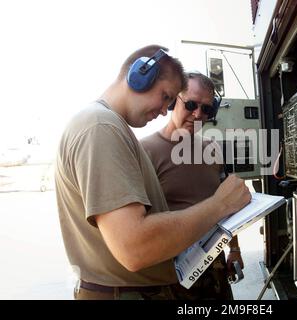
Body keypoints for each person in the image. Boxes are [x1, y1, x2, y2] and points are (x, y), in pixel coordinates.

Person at [55, 45, 251, 300]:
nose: (163, 110)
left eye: (206, 109)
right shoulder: (101, 128)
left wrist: (232, 245)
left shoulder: (110, 128)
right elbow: (134, 248)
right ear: (139, 76)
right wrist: (219, 205)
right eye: (166, 97)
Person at [140, 72, 244, 300]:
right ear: (171, 102)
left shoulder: (213, 150)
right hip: (169, 277)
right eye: (190, 104)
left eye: (206, 109)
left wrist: (234, 249)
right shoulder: (144, 152)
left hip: (213, 270)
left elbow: (229, 205)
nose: (197, 114)